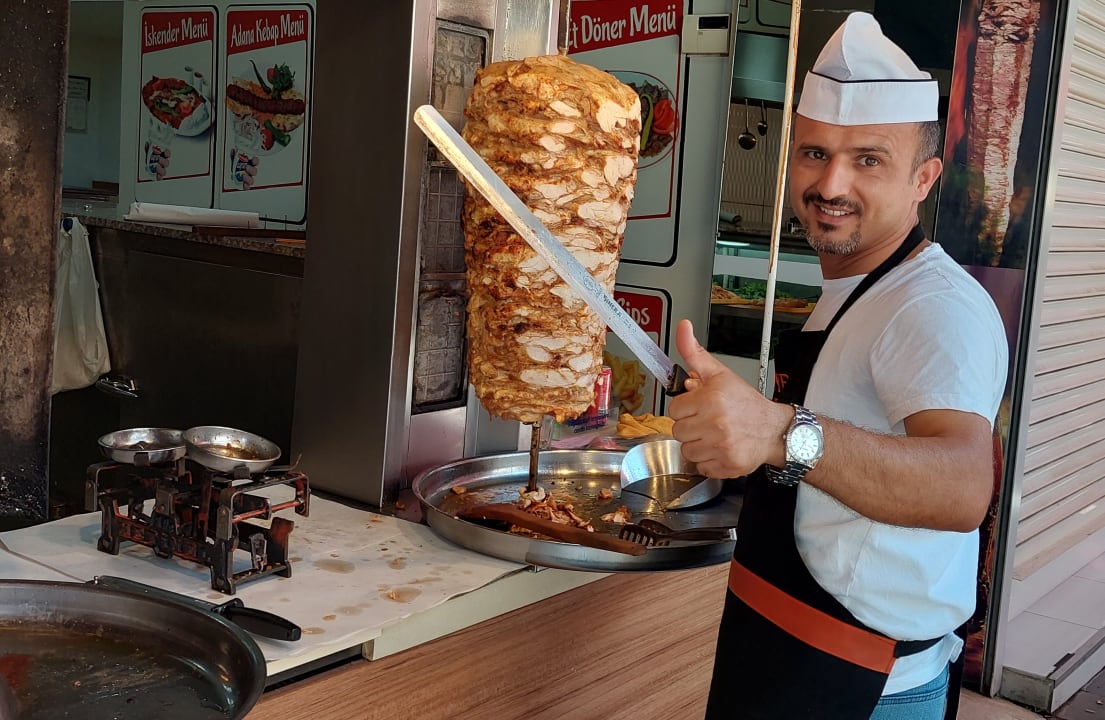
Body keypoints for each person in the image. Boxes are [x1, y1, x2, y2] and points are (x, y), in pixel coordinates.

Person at [669, 12, 1008, 719]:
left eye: (868, 160)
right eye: (814, 152)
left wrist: (777, 433)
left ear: (923, 178)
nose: (831, 183)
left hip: (863, 689)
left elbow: (960, 485)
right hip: (783, 654)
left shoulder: (932, 305)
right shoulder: (854, 288)